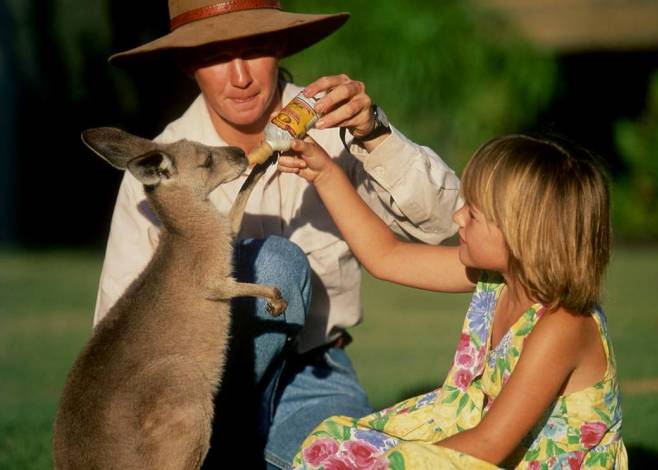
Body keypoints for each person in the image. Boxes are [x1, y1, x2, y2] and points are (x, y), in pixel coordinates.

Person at [95, 1, 462, 468]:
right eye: (215, 55)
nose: (240, 76)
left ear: (280, 45)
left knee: (354, 461)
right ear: (189, 64)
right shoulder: (160, 169)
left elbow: (445, 225)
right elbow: (119, 334)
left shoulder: (334, 123)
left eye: (255, 48)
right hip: (209, 386)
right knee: (274, 264)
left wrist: (374, 133)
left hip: (314, 371)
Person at [281, 133, 628, 469]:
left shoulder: (562, 326)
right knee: (336, 448)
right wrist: (326, 174)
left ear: (523, 234)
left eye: (473, 213)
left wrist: (389, 463)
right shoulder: (498, 279)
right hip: (485, 455)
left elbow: (488, 446)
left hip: (493, 455)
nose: (458, 217)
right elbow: (385, 256)